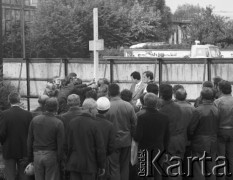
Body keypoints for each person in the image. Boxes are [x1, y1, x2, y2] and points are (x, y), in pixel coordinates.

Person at [67, 98, 106, 180]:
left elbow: (67, 144)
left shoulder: (72, 122)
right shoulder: (95, 125)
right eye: (96, 109)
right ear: (90, 110)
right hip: (89, 166)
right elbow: (100, 148)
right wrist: (102, 165)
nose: (97, 111)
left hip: (74, 164)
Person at [134, 93, 170, 180]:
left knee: (145, 174)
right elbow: (167, 137)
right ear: (156, 103)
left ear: (145, 102)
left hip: (144, 149)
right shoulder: (165, 117)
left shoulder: (141, 117)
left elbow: (137, 137)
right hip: (159, 149)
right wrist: (166, 151)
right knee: (158, 172)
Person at [27, 98, 64, 180]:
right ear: (57, 108)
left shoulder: (35, 120)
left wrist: (30, 157)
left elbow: (30, 140)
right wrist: (60, 159)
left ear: (45, 107)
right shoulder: (58, 123)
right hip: (51, 154)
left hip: (37, 154)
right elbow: (60, 144)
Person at [106, 83, 137, 180]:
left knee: (114, 166)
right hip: (126, 140)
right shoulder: (128, 106)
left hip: (112, 141)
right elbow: (134, 124)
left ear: (108, 93)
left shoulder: (107, 106)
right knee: (124, 166)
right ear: (119, 92)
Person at [0, 92, 33, 180]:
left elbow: (2, 133)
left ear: (9, 101)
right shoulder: (28, 115)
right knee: (24, 175)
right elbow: (31, 133)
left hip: (9, 148)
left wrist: (3, 143)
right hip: (24, 149)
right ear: (20, 100)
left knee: (10, 175)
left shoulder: (4, 114)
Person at [188, 87, 219, 180]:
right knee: (211, 166)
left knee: (198, 167)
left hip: (199, 142)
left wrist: (190, 137)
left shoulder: (198, 110)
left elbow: (191, 129)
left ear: (201, 97)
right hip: (213, 140)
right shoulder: (216, 109)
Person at [159, 83, 185, 180]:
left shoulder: (162, 110)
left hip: (169, 143)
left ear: (160, 95)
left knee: (170, 170)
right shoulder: (178, 107)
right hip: (180, 141)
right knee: (177, 169)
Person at [214, 80, 233, 180]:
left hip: (221, 131)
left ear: (219, 89)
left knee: (220, 157)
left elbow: (214, 118)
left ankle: (221, 177)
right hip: (232, 131)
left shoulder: (217, 102)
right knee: (231, 156)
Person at [96, 97, 116, 180]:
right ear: (108, 109)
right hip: (104, 157)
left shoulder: (91, 121)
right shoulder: (109, 125)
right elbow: (111, 146)